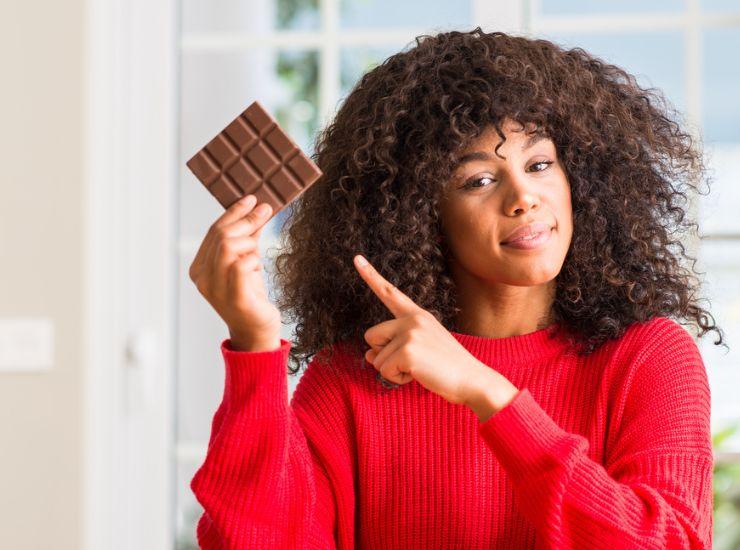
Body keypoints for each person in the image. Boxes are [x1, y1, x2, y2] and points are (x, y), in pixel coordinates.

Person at [187, 27, 726, 549]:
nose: (524, 197)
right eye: (479, 180)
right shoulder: (353, 379)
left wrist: (489, 394)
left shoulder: (647, 359)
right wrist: (254, 344)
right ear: (417, 214)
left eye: (540, 164)